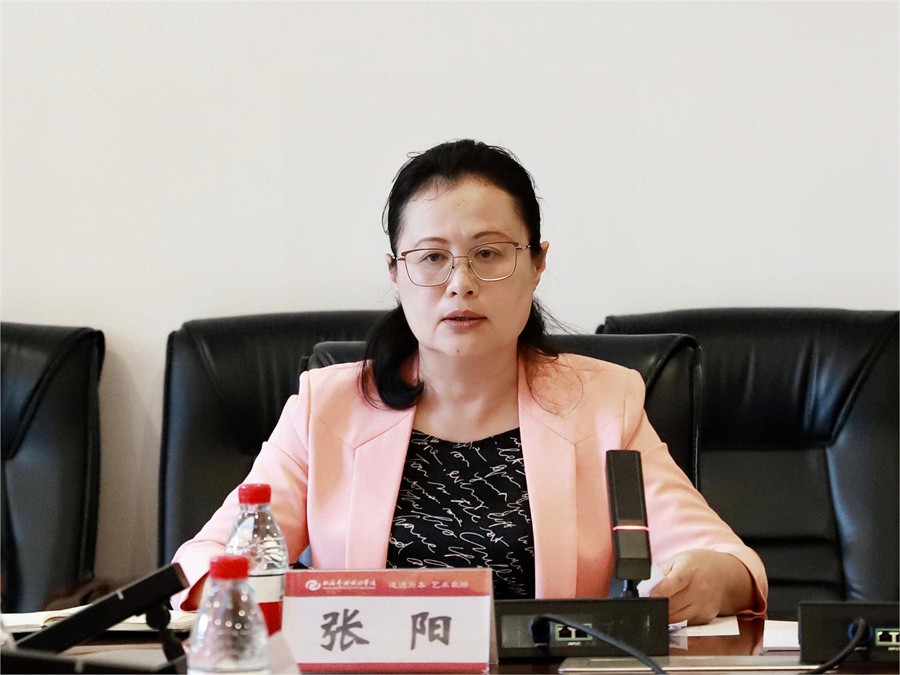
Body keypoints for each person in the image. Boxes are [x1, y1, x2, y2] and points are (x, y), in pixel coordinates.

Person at [172, 139, 767, 624]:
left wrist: (710, 578)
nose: (461, 282)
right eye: (432, 257)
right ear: (396, 273)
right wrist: (245, 593)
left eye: (488, 254)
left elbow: (726, 561)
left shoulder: (604, 405)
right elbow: (205, 560)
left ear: (536, 264)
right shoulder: (324, 408)